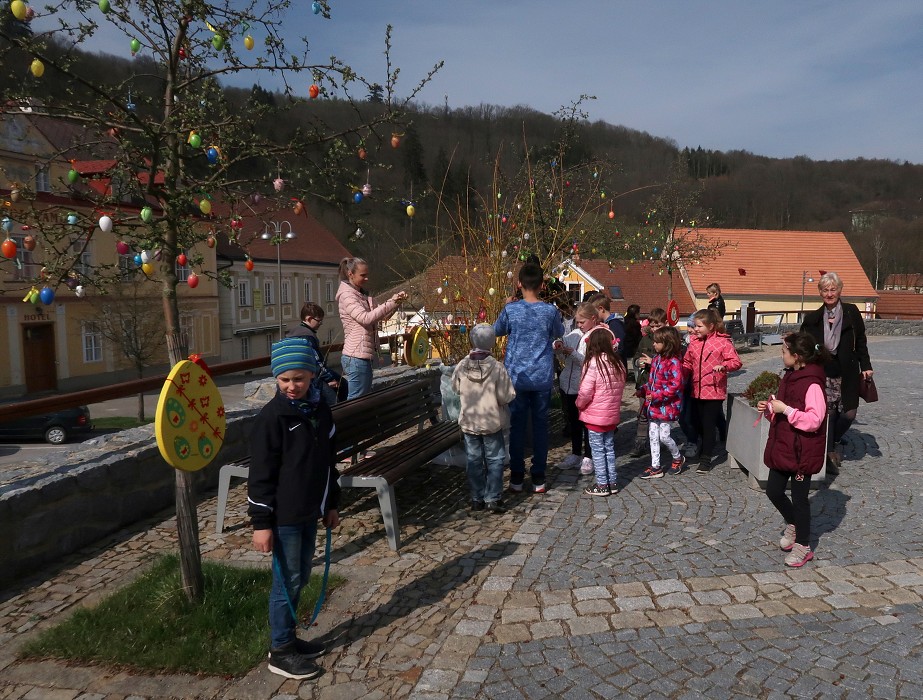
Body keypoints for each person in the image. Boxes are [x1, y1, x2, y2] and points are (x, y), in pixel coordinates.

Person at [248, 337, 340, 680]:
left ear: (312, 377)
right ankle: (280, 650)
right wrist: (261, 523)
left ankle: (289, 638)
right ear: (276, 379)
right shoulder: (272, 418)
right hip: (283, 515)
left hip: (309, 511)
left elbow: (329, 462)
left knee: (300, 575)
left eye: (298, 379)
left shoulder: (319, 411)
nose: (291, 386)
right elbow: (260, 475)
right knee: (285, 582)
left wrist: (330, 503)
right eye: (284, 379)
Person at [757, 332, 829, 568]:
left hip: (802, 452)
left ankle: (804, 546)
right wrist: (769, 408)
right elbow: (783, 408)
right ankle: (794, 524)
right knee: (774, 492)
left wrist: (785, 410)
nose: (781, 354)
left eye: (783, 351)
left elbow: (814, 420)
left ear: (796, 356)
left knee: (800, 500)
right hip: (784, 447)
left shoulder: (813, 384)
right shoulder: (790, 376)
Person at [494, 263, 565, 494]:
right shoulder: (550, 311)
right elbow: (559, 332)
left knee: (516, 428)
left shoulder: (511, 310)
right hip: (542, 377)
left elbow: (496, 330)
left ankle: (516, 477)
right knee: (541, 428)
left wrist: (505, 307)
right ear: (543, 285)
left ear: (519, 285)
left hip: (516, 377)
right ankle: (538, 478)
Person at [799, 271, 874, 475]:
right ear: (820, 292)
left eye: (833, 289)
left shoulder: (851, 312)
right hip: (824, 371)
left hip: (848, 370)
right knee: (829, 413)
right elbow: (803, 345)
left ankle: (834, 439)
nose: (829, 293)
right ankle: (829, 451)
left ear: (839, 290)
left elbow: (861, 341)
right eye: (825, 290)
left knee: (849, 414)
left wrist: (866, 365)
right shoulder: (812, 319)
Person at [452, 324, 516, 514]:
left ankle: (476, 498)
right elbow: (507, 396)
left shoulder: (462, 366)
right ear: (492, 342)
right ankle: (493, 498)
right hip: (492, 421)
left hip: (470, 421)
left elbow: (455, 388)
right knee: (495, 459)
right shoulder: (497, 367)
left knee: (473, 459)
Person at [335, 257, 407, 400]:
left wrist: (396, 303)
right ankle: (349, 423)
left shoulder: (361, 295)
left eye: (367, 274)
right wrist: (391, 302)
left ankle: (357, 423)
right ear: (350, 274)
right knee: (356, 401)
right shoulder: (347, 296)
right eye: (363, 275)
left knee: (361, 399)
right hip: (356, 355)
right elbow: (366, 318)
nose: (366, 278)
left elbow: (380, 316)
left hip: (362, 356)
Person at [682, 308, 742, 474]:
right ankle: (704, 446)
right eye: (695, 326)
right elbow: (687, 362)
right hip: (696, 389)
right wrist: (679, 370)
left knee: (709, 425)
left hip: (714, 391)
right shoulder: (694, 342)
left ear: (711, 326)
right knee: (697, 422)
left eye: (699, 326)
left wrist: (724, 367)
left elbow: (736, 362)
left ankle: (706, 458)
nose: (696, 329)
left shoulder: (723, 342)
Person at [557, 302, 612, 475]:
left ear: (593, 319)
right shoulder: (574, 334)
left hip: (585, 386)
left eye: (582, 322)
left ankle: (589, 456)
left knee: (587, 423)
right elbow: (560, 345)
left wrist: (572, 353)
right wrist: (558, 345)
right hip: (568, 385)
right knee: (573, 422)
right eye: (577, 322)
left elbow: (590, 363)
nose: (579, 325)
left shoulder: (598, 336)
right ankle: (575, 453)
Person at [576, 327, 626, 496]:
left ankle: (602, 484)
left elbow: (585, 392)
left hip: (595, 416)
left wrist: (579, 404)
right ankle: (612, 482)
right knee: (609, 449)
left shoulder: (594, 363)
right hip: (611, 415)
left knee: (597, 450)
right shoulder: (618, 362)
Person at [639, 326, 686, 479]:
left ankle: (677, 457)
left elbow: (675, 386)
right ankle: (656, 466)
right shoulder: (657, 360)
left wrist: (657, 395)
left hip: (667, 407)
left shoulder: (674, 362)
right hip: (654, 406)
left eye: (657, 342)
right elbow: (653, 382)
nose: (654, 344)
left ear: (667, 343)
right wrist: (644, 389)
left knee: (664, 437)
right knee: (653, 436)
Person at [287, 302, 342, 406]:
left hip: (302, 376)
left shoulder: (295, 333)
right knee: (334, 402)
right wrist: (330, 378)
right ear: (308, 319)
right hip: (311, 378)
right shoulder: (307, 337)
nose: (320, 324)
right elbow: (317, 362)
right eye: (319, 321)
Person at [630, 307, 667, 458]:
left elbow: (672, 363)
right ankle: (640, 443)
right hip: (645, 382)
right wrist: (638, 362)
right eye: (652, 326)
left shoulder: (669, 339)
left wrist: (653, 362)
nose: (655, 329)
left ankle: (660, 441)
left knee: (659, 415)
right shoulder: (645, 339)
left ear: (665, 324)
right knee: (643, 414)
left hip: (661, 384)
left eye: (658, 326)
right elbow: (636, 356)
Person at [586, 292, 627, 359]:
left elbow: (619, 348)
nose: (592, 315)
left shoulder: (615, 324)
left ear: (601, 309)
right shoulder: (607, 324)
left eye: (593, 312)